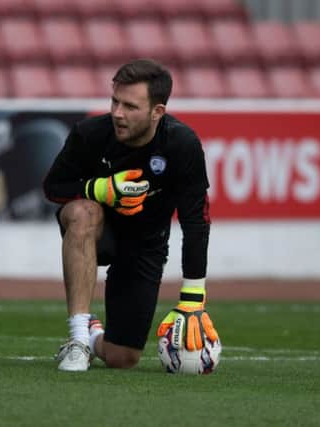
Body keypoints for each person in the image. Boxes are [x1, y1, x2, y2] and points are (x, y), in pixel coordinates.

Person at [43, 59, 221, 372]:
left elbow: (196, 221)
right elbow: (53, 187)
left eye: (130, 106)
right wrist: (101, 189)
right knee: (83, 212)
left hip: (145, 245)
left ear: (157, 112)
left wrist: (193, 299)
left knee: (122, 357)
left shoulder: (182, 145)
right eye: (114, 101)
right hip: (99, 230)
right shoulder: (90, 134)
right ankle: (78, 340)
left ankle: (94, 334)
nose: (117, 113)